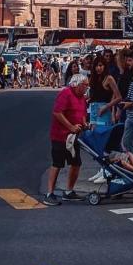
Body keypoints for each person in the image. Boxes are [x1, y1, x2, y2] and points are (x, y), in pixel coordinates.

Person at [44, 73, 89, 206]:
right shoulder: (66, 93)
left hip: (74, 136)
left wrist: (84, 124)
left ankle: (69, 191)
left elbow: (82, 114)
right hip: (60, 135)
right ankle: (49, 193)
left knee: (76, 163)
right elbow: (57, 112)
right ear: (77, 85)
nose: (87, 87)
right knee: (57, 163)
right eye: (85, 85)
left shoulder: (82, 98)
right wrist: (70, 126)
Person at [88, 56, 121, 126]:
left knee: (103, 132)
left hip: (104, 109)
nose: (98, 68)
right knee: (94, 133)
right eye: (96, 66)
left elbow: (119, 97)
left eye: (100, 65)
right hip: (93, 109)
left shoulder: (109, 78)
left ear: (104, 66)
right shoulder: (93, 78)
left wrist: (106, 107)